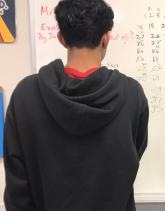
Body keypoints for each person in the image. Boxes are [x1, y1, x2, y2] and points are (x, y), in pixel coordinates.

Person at [3, 0, 149, 210]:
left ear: (61, 39)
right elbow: (135, 152)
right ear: (106, 39)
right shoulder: (132, 95)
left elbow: (17, 184)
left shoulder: (25, 95)